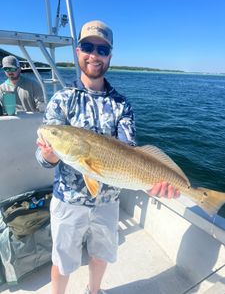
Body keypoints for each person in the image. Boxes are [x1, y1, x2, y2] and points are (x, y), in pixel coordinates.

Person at [36, 20, 180, 294]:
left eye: (102, 50)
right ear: (78, 51)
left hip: (108, 201)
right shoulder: (62, 100)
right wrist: (50, 154)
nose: (94, 55)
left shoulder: (122, 104)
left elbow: (129, 151)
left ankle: (94, 290)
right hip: (68, 201)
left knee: (100, 255)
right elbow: (44, 159)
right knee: (63, 261)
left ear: (110, 56)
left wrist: (154, 183)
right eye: (87, 47)